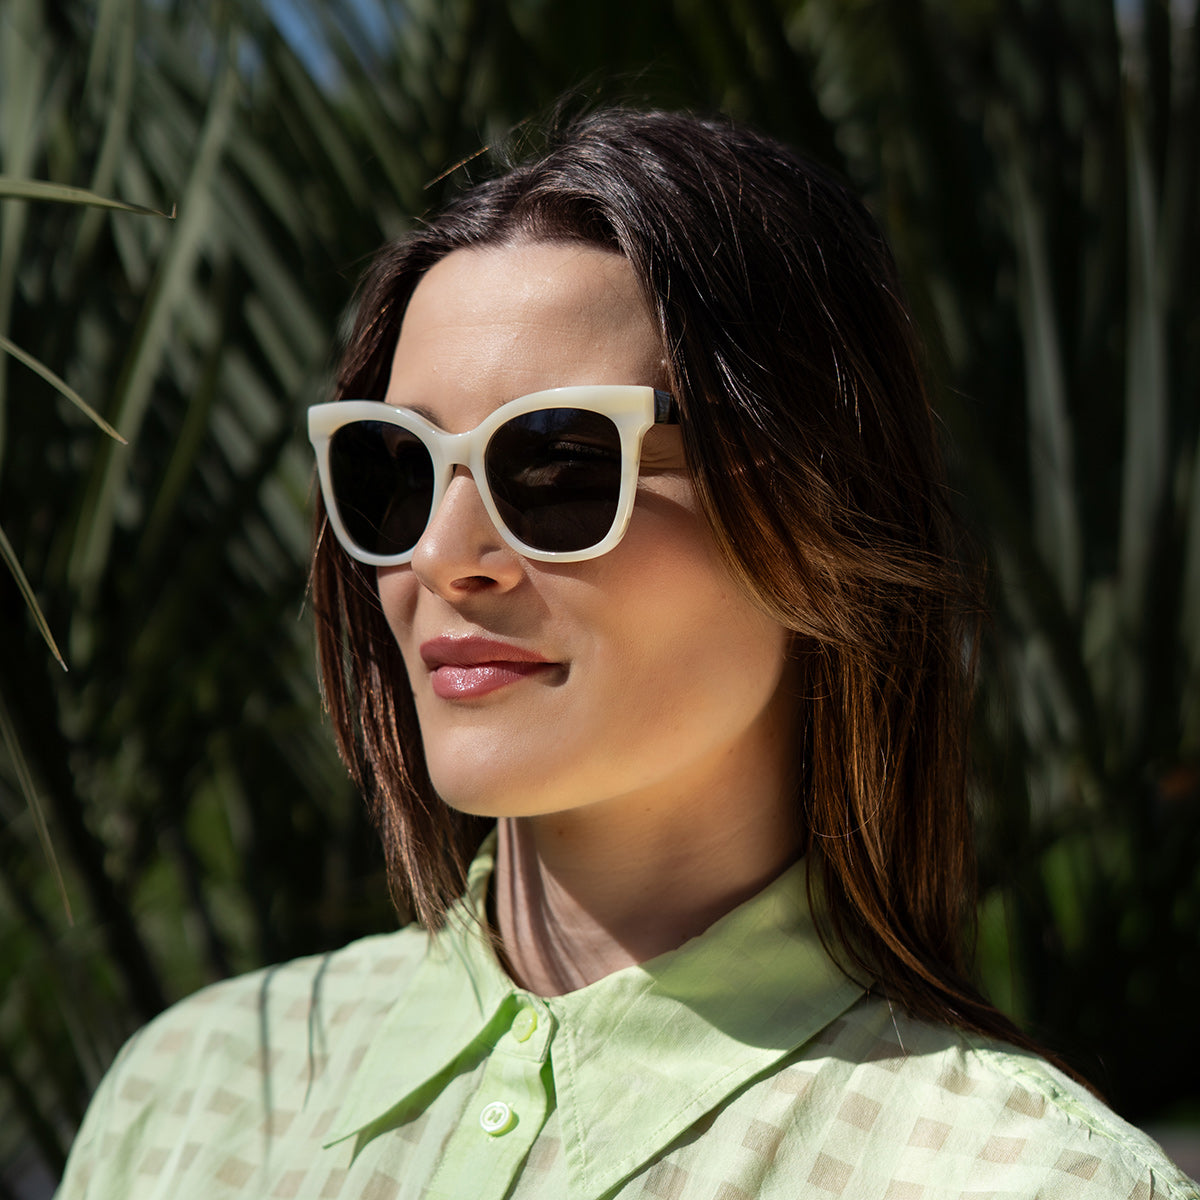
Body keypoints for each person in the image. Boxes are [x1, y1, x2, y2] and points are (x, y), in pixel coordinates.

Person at [57, 108, 1197, 1199]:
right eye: (393, 470)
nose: (447, 556)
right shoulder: (187, 1096)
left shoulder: (1017, 1180)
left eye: (555, 465)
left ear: (819, 512)